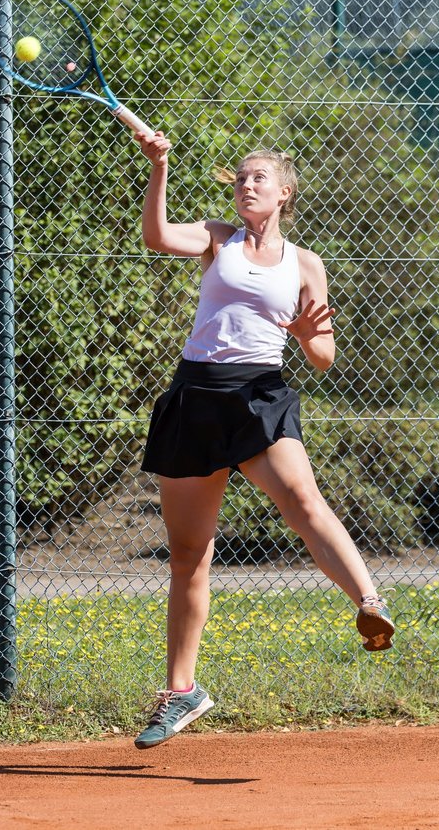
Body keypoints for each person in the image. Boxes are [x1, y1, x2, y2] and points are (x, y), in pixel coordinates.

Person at [131, 129, 394, 751]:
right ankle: (182, 691)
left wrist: (306, 333)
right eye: (242, 178)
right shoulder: (217, 238)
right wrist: (159, 166)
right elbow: (158, 236)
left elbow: (324, 356)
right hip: (196, 397)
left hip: (259, 397)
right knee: (190, 553)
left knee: (303, 500)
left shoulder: (306, 265)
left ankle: (370, 600)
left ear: (284, 193)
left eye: (259, 178)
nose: (247, 185)